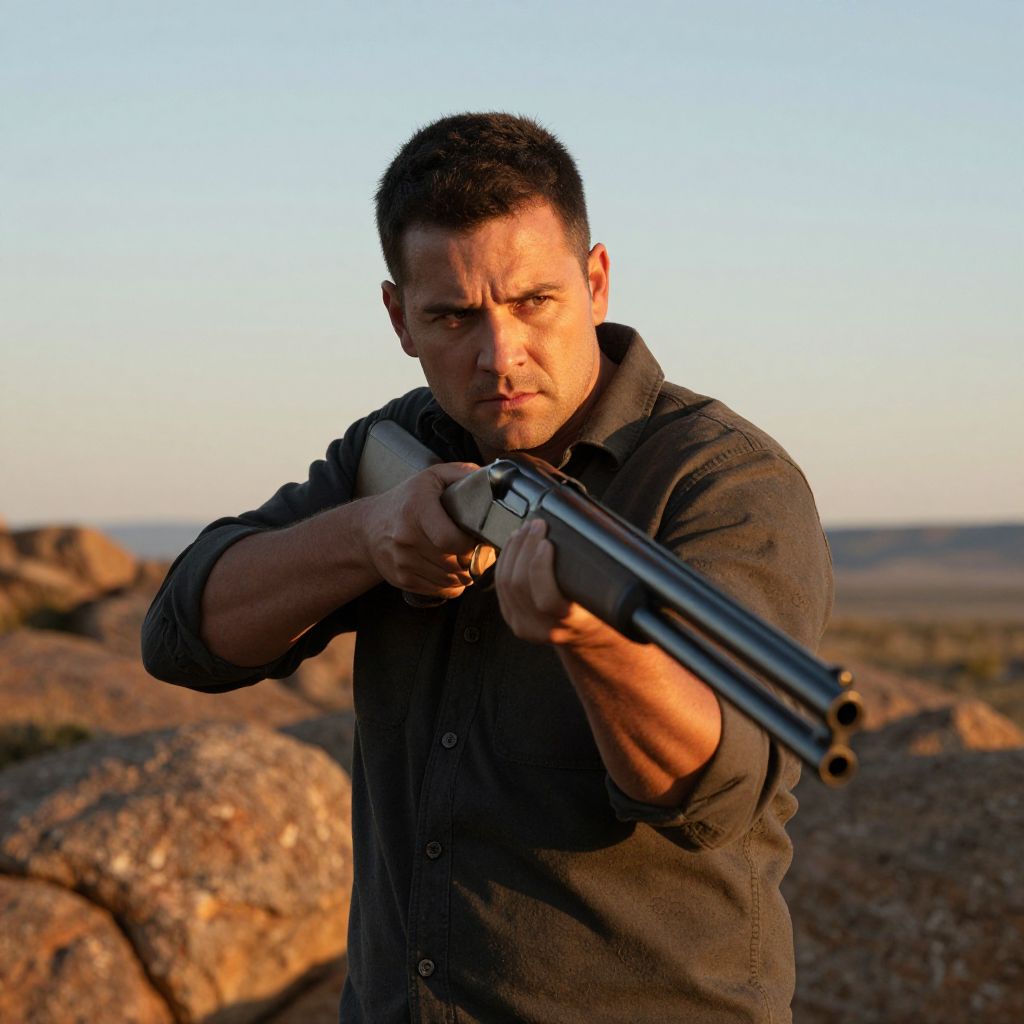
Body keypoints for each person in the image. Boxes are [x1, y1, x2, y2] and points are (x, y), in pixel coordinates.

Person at [142, 112, 833, 1023]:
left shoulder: (726, 480)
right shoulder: (397, 447)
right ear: (398, 317)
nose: (499, 355)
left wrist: (591, 639)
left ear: (595, 281)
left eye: (533, 302)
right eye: (453, 316)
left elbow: (716, 791)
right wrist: (368, 534)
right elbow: (184, 635)